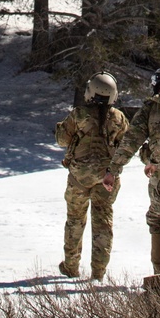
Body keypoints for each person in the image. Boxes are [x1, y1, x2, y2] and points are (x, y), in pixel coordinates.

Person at [102, 66, 160, 287]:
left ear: (155, 86)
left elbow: (130, 142)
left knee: (159, 222)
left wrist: (113, 171)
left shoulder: (151, 108)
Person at [55, 73, 128, 281]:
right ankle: (98, 272)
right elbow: (126, 144)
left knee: (75, 220)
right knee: (103, 222)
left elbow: (62, 140)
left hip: (79, 177)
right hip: (107, 177)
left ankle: (71, 266)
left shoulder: (79, 114)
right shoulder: (118, 117)